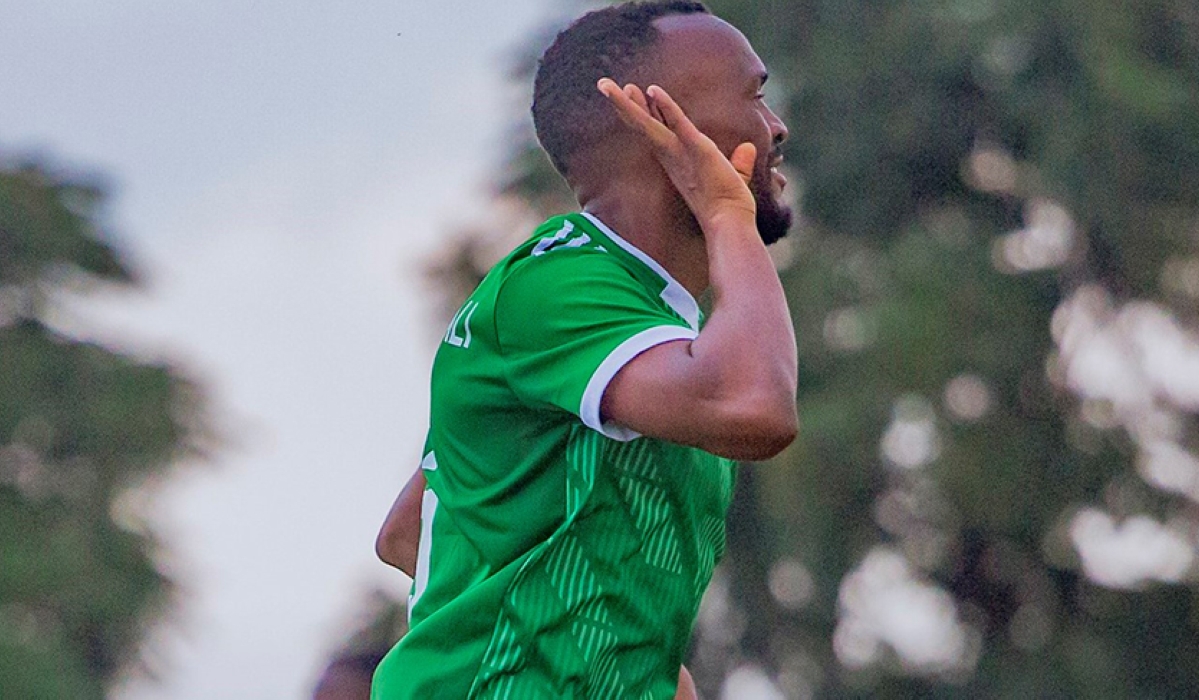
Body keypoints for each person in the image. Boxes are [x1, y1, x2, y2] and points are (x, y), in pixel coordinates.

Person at [371, 1, 797, 697]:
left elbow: (408, 530)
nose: (775, 126)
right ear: (657, 124)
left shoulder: (628, 311)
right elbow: (756, 407)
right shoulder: (560, 286)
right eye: (753, 95)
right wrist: (727, 217)